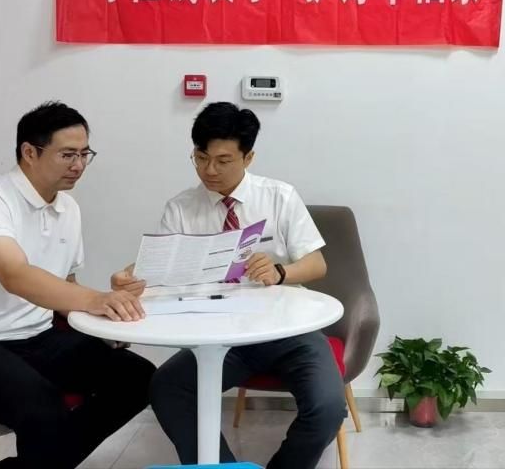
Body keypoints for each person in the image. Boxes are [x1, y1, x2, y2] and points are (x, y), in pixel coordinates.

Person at [0, 101, 155, 469]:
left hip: (36, 334)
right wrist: (96, 299)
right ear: (30, 152)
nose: (79, 165)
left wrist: (106, 318)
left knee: (140, 378)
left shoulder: (68, 208)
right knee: (43, 409)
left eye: (85, 154)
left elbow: (66, 286)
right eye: (68, 154)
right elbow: (14, 274)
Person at [112, 101, 346, 468]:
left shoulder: (279, 196)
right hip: (218, 337)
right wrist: (128, 278)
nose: (209, 170)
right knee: (167, 387)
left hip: (287, 329)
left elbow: (317, 264)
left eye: (223, 161)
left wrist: (280, 272)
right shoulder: (181, 208)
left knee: (328, 407)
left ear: (248, 157)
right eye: (201, 158)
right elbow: (158, 269)